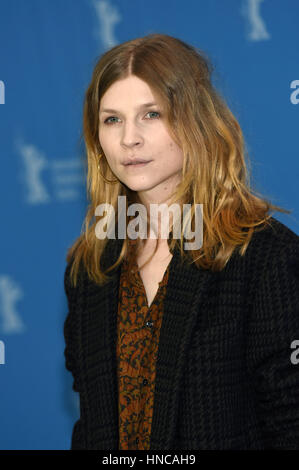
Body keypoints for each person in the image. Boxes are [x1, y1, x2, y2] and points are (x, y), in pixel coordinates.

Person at [63, 33, 299, 450]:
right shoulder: (92, 265)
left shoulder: (265, 256)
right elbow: (92, 427)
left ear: (196, 121)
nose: (128, 139)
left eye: (151, 114)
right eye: (112, 119)